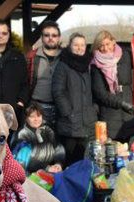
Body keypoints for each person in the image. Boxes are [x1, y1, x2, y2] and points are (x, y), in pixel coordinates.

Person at [52, 33, 97, 167]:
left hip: (87, 121)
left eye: (82, 45)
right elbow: (57, 91)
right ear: (70, 46)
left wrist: (94, 109)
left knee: (85, 160)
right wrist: (68, 112)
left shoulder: (88, 65)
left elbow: (92, 91)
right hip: (70, 122)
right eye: (76, 45)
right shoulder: (63, 65)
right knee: (70, 161)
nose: (79, 48)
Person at [91, 30, 134, 144]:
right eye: (101, 45)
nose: (105, 48)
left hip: (128, 112)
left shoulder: (126, 55)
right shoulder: (95, 65)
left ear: (113, 42)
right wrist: (122, 104)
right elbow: (100, 93)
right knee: (112, 151)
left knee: (128, 151)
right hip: (110, 113)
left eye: (107, 44)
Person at [26, 20, 62, 128]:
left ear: (59, 37)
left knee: (58, 143)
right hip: (37, 108)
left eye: (54, 35)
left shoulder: (66, 57)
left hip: (61, 109)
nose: (50, 38)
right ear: (42, 37)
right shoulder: (31, 57)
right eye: (47, 35)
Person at [12, 103, 65, 174]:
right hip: (27, 173)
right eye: (32, 116)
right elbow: (23, 159)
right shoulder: (22, 134)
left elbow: (58, 147)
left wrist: (58, 163)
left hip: (49, 171)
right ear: (26, 119)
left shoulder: (48, 131)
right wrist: (46, 168)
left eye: (38, 116)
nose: (36, 119)